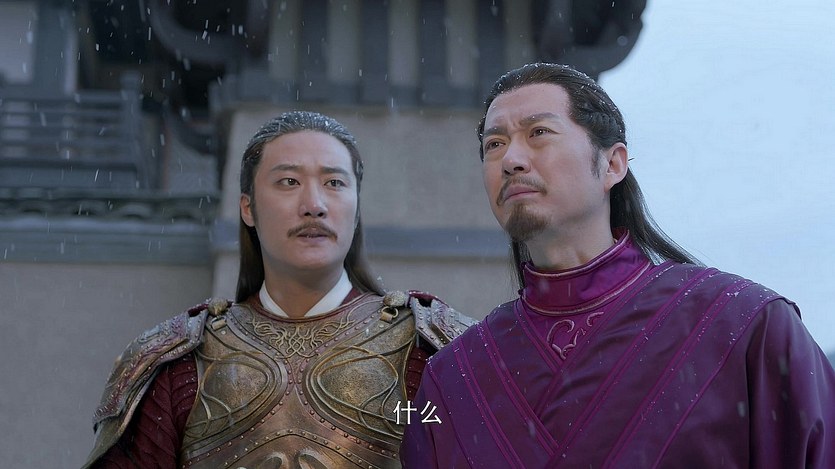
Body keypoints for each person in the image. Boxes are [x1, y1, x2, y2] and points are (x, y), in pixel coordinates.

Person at [400, 63, 835, 468]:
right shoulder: (452, 379)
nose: (511, 159)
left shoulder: (742, 324)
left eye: (539, 133)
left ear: (612, 164)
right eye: (494, 145)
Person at [83, 111, 475, 469]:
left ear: (356, 208)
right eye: (289, 182)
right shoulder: (180, 363)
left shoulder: (429, 354)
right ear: (247, 208)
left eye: (334, 183)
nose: (314, 204)